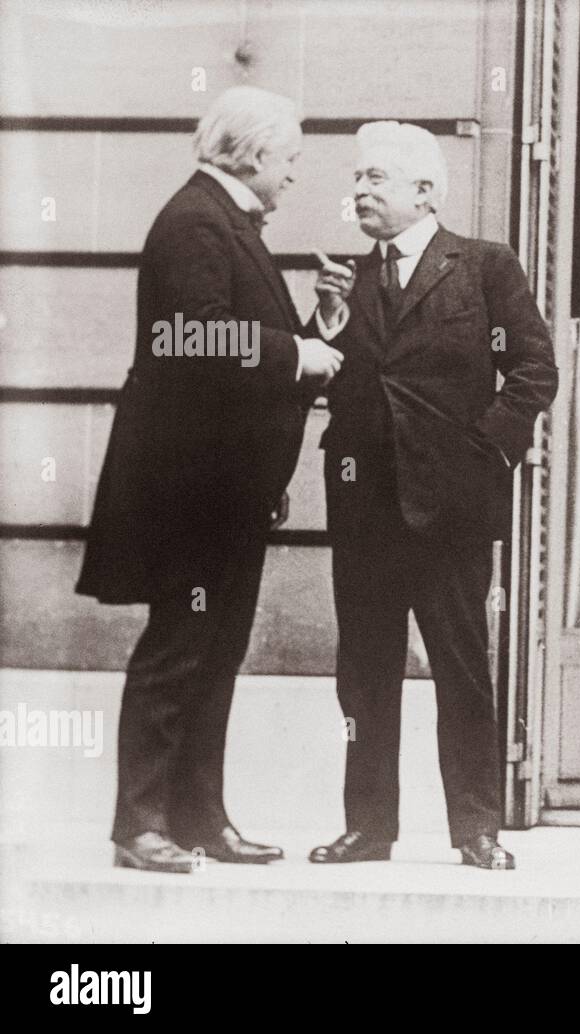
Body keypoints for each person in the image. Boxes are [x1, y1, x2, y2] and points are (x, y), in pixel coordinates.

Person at [77, 86, 344, 873]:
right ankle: (139, 826)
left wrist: (317, 327)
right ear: (256, 155)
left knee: (215, 649)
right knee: (181, 647)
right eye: (290, 160)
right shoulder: (197, 221)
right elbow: (190, 334)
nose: (294, 176)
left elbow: (228, 348)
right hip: (189, 489)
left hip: (220, 486)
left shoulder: (216, 220)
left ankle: (197, 817)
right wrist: (299, 355)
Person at [308, 121, 557, 870]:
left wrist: (483, 455)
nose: (359, 190)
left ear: (425, 192)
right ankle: (369, 826)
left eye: (375, 178)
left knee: (461, 667)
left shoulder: (483, 267)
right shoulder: (347, 279)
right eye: (357, 178)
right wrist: (325, 323)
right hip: (365, 509)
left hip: (450, 508)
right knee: (364, 673)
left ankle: (476, 828)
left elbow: (534, 370)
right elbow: (328, 378)